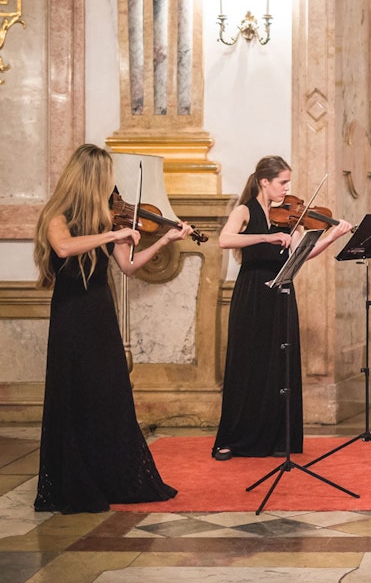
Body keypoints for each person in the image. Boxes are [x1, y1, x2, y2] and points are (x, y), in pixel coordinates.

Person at [32, 143, 194, 513]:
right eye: (107, 175)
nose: (113, 183)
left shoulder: (109, 216)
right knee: (74, 395)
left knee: (108, 394)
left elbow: (128, 267)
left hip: (100, 314)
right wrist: (111, 235)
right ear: (91, 177)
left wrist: (165, 238)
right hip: (71, 316)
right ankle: (77, 481)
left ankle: (111, 477)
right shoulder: (58, 213)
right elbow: (62, 248)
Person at [212, 156, 352, 460]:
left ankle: (277, 437)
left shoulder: (289, 216)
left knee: (279, 365)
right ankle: (231, 440)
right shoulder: (244, 210)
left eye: (288, 182)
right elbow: (224, 240)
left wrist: (332, 236)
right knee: (246, 363)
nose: (287, 188)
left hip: (282, 291)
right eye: (282, 182)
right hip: (252, 293)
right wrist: (267, 236)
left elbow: (306, 252)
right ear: (265, 181)